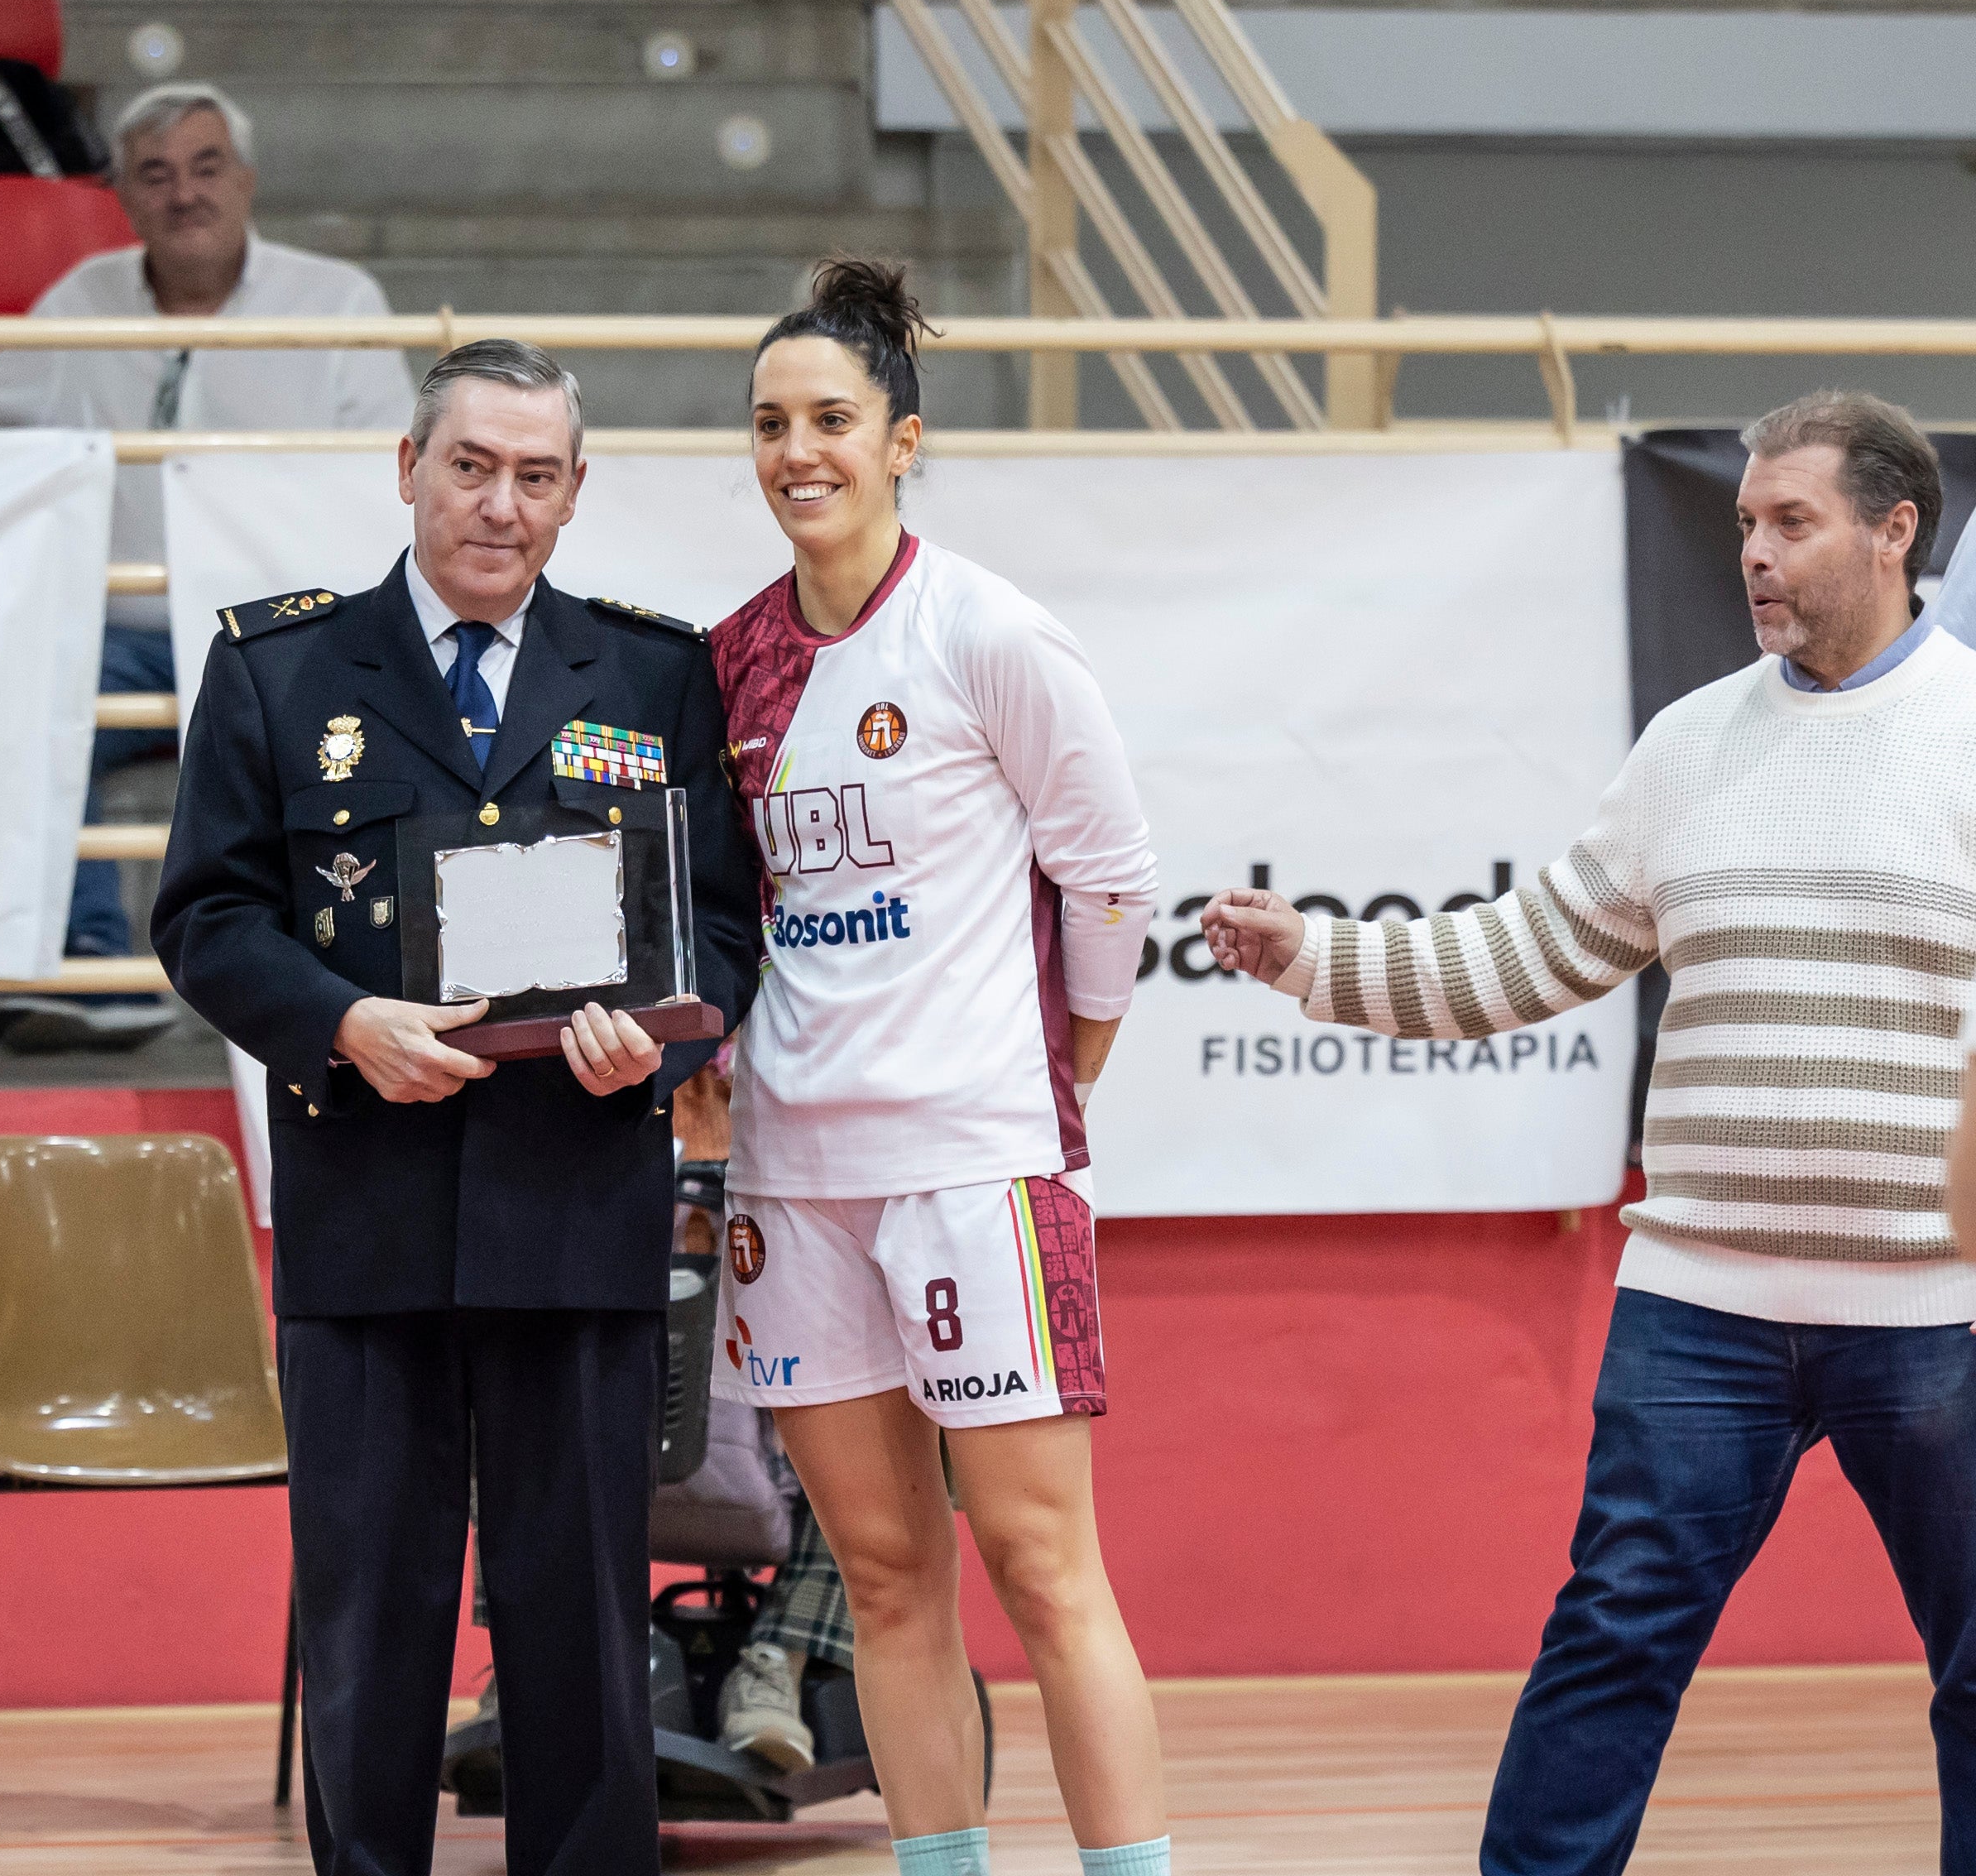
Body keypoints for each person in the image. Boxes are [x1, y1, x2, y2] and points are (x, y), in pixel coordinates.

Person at [1207, 386, 1976, 1876]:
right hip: (1699, 1307)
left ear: (1891, 532)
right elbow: (1514, 958)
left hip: (1934, 1315)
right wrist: (1311, 954)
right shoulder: (1686, 745)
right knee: (1609, 1643)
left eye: (1788, 522)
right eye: (1743, 521)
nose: (1750, 550)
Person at [152, 338, 760, 1876]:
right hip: (369, 1209)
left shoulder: (647, 671)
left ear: (572, 493)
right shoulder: (280, 667)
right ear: (406, 467)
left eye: (533, 475)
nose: (498, 504)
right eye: (470, 466)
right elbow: (209, 917)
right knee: (369, 1624)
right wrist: (342, 1020)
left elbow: (722, 928)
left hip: (574, 1207)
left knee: (578, 1625)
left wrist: (665, 1046)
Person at [708, 260, 1166, 1876]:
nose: (796, 450)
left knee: (1045, 1569)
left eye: (831, 418)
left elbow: (1110, 875)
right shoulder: (734, 666)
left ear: (903, 440)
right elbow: (725, 920)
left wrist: (1068, 1078)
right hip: (795, 1182)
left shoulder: (985, 630)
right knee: (887, 1581)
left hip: (976, 1167)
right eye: (770, 423)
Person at [0, 81, 415, 1053]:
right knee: (22, 684)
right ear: (124, 197)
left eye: (205, 166)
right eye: (155, 174)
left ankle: (329, 993)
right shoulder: (81, 303)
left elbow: (387, 477)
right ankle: (93, 976)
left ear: (247, 181)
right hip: (123, 636)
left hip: (287, 634)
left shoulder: (337, 303)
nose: (184, 193)